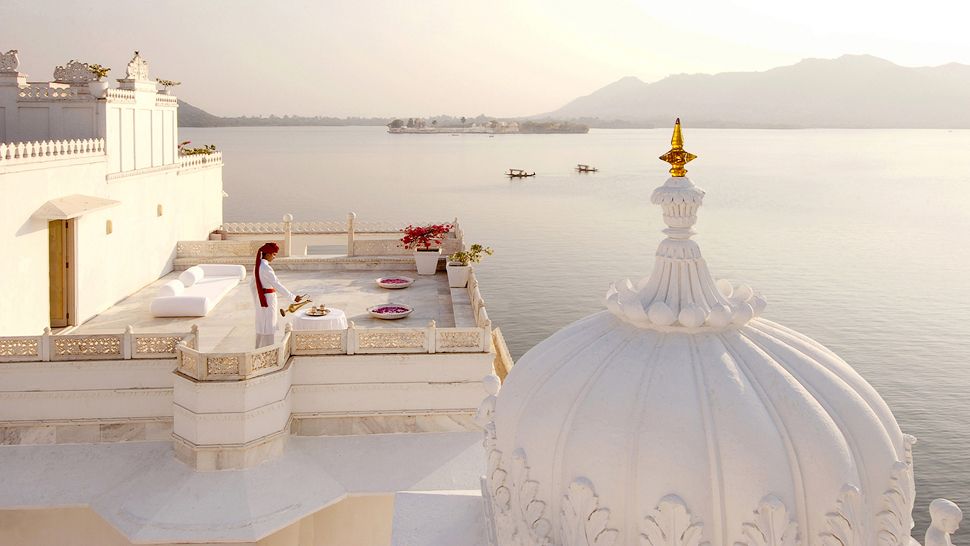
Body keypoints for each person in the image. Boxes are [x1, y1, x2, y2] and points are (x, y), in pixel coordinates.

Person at [251, 242, 300, 348]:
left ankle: (258, 349)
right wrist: (293, 297)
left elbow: (252, 285)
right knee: (269, 325)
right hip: (267, 300)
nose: (274, 257)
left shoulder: (257, 266)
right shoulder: (266, 268)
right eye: (273, 254)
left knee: (262, 324)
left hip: (261, 299)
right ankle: (268, 350)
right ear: (268, 254)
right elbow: (277, 285)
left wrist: (257, 298)